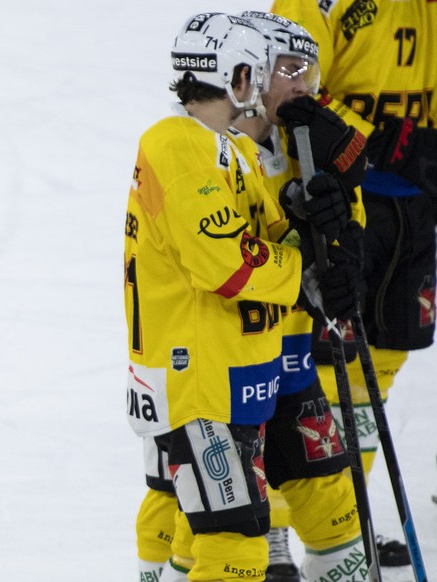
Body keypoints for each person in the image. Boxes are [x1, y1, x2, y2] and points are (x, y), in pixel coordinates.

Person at [124, 12, 365, 580]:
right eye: (260, 71)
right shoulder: (177, 145)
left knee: (293, 520)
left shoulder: (233, 151)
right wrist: (304, 259)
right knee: (232, 547)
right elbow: (228, 264)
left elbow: (275, 234)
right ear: (235, 76)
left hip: (242, 369)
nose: (266, 86)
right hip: (200, 381)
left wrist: (325, 228)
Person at [271, 0, 437, 567]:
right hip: (342, 196)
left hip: (415, 201)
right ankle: (272, 535)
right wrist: (371, 139)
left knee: (379, 367)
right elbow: (287, 80)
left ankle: (352, 517)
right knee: (311, 370)